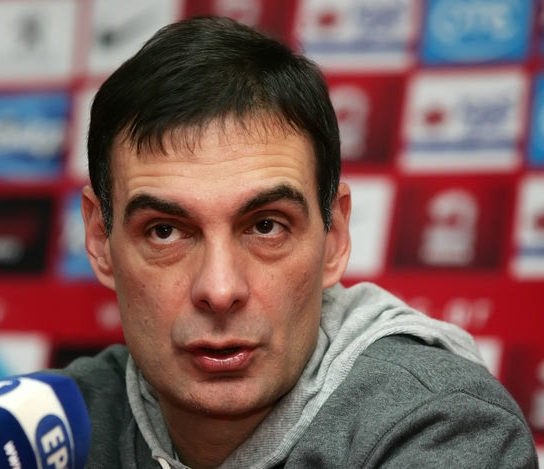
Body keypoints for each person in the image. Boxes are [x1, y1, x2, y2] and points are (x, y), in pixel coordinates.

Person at [58, 16, 538, 468]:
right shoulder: (49, 426)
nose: (220, 290)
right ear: (100, 240)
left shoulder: (445, 428)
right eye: (164, 231)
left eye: (266, 226)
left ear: (334, 238)